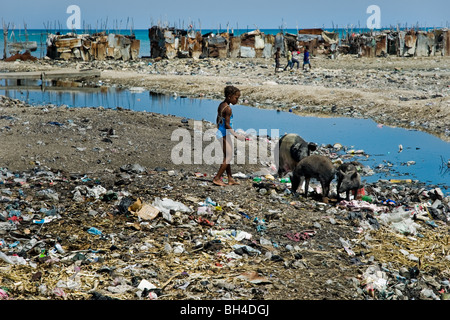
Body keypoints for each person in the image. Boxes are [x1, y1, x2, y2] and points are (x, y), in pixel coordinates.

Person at [213, 86, 245, 186]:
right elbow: (227, 124)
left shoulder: (222, 105)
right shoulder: (228, 109)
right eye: (236, 98)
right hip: (224, 134)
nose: (237, 100)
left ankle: (230, 178)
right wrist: (236, 135)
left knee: (227, 156)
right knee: (229, 157)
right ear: (229, 96)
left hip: (221, 132)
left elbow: (217, 119)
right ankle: (217, 178)